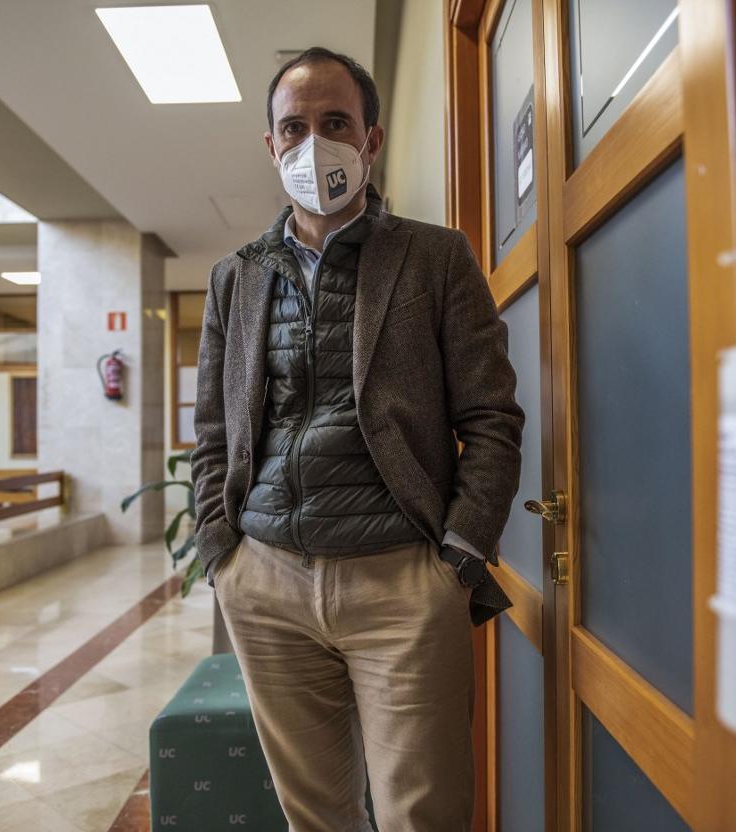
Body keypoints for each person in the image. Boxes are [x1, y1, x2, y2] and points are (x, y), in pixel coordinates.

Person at [190, 46, 523, 831]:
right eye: (293, 128)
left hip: (403, 586)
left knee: (424, 812)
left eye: (335, 123)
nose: (314, 145)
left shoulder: (435, 257)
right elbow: (213, 428)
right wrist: (220, 552)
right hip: (264, 581)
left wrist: (461, 552)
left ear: (370, 140)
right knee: (316, 814)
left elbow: (492, 417)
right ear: (271, 147)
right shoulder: (234, 278)